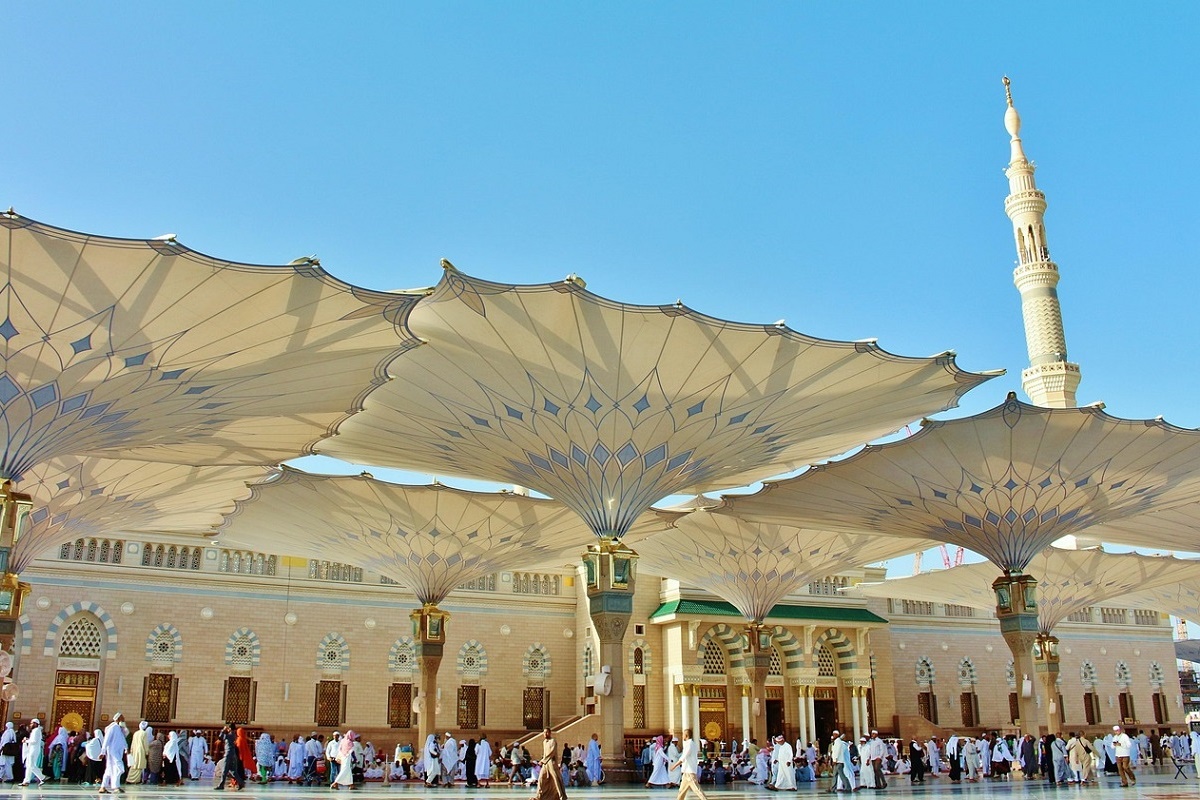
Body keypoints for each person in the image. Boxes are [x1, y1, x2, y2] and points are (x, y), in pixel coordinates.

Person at [671, 729, 711, 800]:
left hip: (690, 772)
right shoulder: (692, 744)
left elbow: (683, 758)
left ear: (686, 735)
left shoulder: (689, 745)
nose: (682, 736)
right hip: (686, 772)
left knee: (697, 790)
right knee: (681, 791)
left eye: (683, 734)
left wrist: (674, 766)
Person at [531, 728, 567, 800]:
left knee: (555, 778)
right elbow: (545, 753)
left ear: (550, 733)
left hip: (551, 762)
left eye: (547, 732)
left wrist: (543, 760)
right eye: (544, 732)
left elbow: (552, 752)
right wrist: (543, 760)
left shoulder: (553, 741)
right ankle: (539, 796)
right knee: (541, 778)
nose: (545, 734)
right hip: (545, 763)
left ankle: (561, 796)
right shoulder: (544, 742)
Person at [99, 713, 127, 794]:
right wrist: (102, 752)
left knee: (109, 769)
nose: (124, 719)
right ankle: (116, 787)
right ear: (118, 719)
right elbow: (106, 740)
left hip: (118, 752)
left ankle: (103, 787)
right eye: (122, 718)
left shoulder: (119, 728)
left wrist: (126, 748)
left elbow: (122, 739)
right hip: (113, 752)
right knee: (119, 768)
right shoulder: (113, 727)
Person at [216, 722, 246, 791]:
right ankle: (241, 783)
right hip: (232, 754)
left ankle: (221, 785)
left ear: (229, 728)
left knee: (224, 770)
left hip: (228, 754)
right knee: (233, 771)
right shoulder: (233, 735)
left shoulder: (230, 735)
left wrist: (223, 730)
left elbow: (220, 738)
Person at [19, 718, 45, 787]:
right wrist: (28, 740)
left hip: (33, 750)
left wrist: (26, 741)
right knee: (28, 766)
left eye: (31, 723)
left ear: (35, 724)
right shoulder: (35, 731)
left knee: (31, 765)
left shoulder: (36, 731)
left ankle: (42, 777)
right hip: (31, 750)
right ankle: (26, 781)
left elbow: (34, 741)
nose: (30, 725)